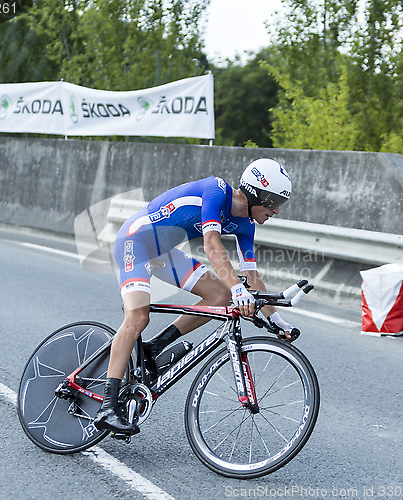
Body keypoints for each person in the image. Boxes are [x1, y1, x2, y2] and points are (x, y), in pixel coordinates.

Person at [94, 158, 297, 435]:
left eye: (280, 204)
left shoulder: (247, 225)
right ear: (255, 193)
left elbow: (252, 276)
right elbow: (211, 245)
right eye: (273, 202)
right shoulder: (216, 191)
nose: (275, 211)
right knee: (138, 316)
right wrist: (239, 290)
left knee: (220, 294)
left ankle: (155, 348)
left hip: (163, 252)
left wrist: (278, 320)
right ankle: (107, 406)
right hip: (135, 241)